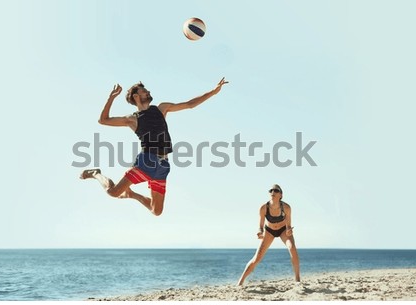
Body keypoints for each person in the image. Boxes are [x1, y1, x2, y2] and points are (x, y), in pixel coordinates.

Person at [80, 78, 228, 216]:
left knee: (156, 211)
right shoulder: (132, 119)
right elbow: (103, 120)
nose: (148, 92)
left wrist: (213, 92)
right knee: (113, 192)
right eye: (144, 91)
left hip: (163, 164)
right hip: (147, 161)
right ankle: (95, 173)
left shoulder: (161, 108)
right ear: (136, 96)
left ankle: (131, 194)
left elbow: (190, 104)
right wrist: (111, 98)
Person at [238, 184, 300, 285]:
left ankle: (297, 279)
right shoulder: (263, 208)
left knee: (292, 248)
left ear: (281, 195)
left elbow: (289, 225)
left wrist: (289, 231)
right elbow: (260, 226)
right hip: (269, 231)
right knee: (256, 258)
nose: (272, 192)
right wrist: (259, 232)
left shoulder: (286, 207)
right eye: (271, 190)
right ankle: (240, 282)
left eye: (276, 191)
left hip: (283, 230)